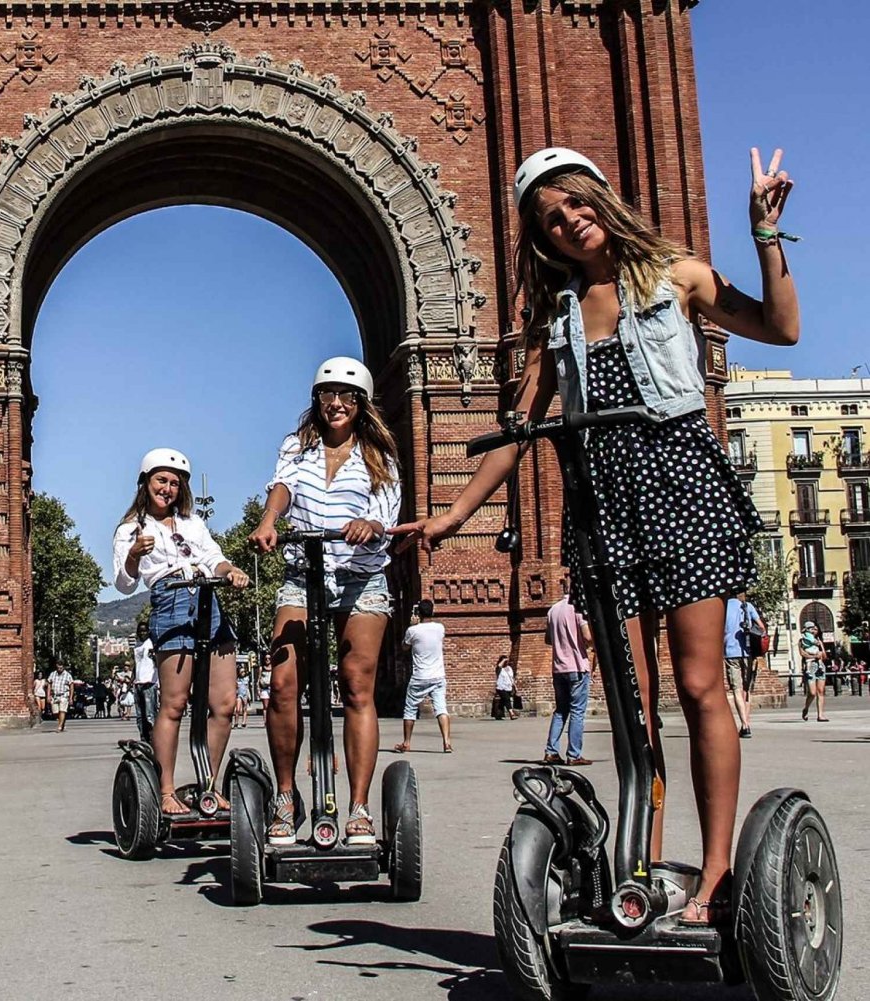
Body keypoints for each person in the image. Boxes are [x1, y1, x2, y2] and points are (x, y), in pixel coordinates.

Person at [392, 145, 798, 926]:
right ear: (543, 240)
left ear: (601, 199)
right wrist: (449, 515)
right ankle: (638, 860)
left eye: (576, 203)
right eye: (552, 219)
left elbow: (780, 327)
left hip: (684, 488)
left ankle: (715, 873)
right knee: (628, 695)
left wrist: (765, 235)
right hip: (603, 504)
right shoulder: (561, 317)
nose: (570, 221)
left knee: (700, 683)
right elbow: (516, 429)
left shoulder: (678, 274)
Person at [250, 357, 400, 847]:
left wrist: (370, 525)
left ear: (361, 405)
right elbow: (282, 489)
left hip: (361, 577)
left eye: (347, 396)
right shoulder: (298, 445)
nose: (336, 403)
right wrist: (270, 520)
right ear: (316, 400)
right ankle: (286, 796)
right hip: (304, 570)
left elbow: (385, 513)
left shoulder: (379, 454)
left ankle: (358, 808)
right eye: (327, 395)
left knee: (357, 685)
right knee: (284, 679)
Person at [114, 447, 250, 817]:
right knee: (173, 704)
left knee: (223, 703)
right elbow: (124, 585)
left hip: (208, 599)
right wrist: (133, 555)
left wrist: (231, 571)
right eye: (162, 480)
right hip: (172, 601)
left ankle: (208, 785)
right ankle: (166, 790)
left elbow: (213, 557)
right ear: (145, 483)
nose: (168, 488)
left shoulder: (192, 523)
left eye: (175, 483)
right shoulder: (131, 529)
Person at [544, 590, 594, 764]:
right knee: (577, 711)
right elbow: (587, 636)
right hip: (577, 666)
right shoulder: (579, 609)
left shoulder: (553, 610)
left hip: (558, 668)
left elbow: (548, 639)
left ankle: (551, 752)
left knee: (560, 711)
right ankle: (574, 754)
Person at [396, 600, 453, 753]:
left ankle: (407, 742)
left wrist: (412, 625)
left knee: (410, 709)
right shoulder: (440, 628)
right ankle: (447, 742)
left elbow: (404, 647)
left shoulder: (412, 631)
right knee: (441, 708)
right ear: (432, 612)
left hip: (420, 676)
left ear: (418, 613)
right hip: (438, 676)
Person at [724, 592, 765, 737]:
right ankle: (746, 722)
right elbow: (761, 628)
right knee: (747, 689)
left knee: (737, 689)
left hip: (730, 652)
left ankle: (745, 725)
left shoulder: (723, 607)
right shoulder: (747, 606)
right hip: (748, 653)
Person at [132, 623, 158, 742]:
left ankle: (154, 740)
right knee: (140, 717)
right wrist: (133, 680)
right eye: (140, 631)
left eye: (145, 631)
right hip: (138, 683)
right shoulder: (137, 646)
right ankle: (144, 739)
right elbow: (136, 664)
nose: (142, 633)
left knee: (150, 715)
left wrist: (155, 656)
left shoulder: (151, 644)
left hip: (149, 682)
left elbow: (157, 662)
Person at [799, 621, 828, 722]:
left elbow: (824, 656)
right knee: (812, 692)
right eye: (812, 629)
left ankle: (820, 715)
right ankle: (806, 708)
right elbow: (802, 653)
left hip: (820, 666)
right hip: (810, 665)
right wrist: (814, 656)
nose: (814, 631)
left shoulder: (818, 641)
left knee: (820, 691)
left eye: (815, 629)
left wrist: (822, 647)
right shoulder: (803, 641)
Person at [47, 663, 75, 732]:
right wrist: (48, 695)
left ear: (63, 668)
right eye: (58, 668)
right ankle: (62, 722)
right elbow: (49, 685)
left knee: (62, 710)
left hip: (64, 695)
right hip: (55, 696)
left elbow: (71, 687)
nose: (59, 669)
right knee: (55, 712)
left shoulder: (68, 675)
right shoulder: (53, 674)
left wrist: (71, 697)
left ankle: (59, 726)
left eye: (61, 668)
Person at [494, 654, 516, 721]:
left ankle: (498, 714)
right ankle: (511, 713)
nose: (506, 662)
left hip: (509, 687)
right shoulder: (499, 669)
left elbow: (512, 677)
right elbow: (499, 666)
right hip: (501, 687)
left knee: (503, 701)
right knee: (507, 699)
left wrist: (514, 686)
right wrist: (503, 660)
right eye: (505, 661)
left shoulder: (509, 668)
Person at [233, 664, 251, 728]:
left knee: (245, 708)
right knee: (237, 709)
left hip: (245, 694)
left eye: (243, 672)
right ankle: (236, 722)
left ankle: (244, 722)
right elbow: (235, 688)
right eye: (241, 672)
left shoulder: (246, 679)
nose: (243, 673)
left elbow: (247, 687)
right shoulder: (237, 679)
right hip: (239, 695)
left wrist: (249, 696)